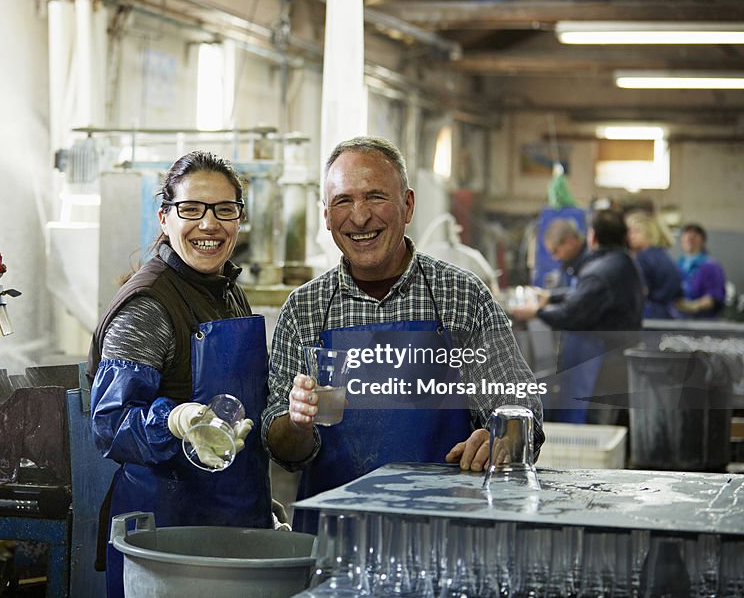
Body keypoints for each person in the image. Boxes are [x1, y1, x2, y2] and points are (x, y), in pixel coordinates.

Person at [262, 136, 544, 532]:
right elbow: (282, 448)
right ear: (326, 215)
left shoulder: (462, 297)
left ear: (408, 205)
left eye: (375, 197)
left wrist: (504, 437)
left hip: (445, 532)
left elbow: (516, 399)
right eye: (343, 201)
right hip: (333, 536)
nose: (359, 218)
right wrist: (296, 422)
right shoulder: (304, 309)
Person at [88, 151, 271, 598]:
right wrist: (175, 421)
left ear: (239, 220)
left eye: (224, 210)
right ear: (164, 218)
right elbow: (110, 422)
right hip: (167, 533)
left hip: (229, 519)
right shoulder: (149, 306)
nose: (209, 225)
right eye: (191, 209)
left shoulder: (226, 291)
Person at [512, 209, 644, 424]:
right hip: (615, 354)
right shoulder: (622, 262)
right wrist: (550, 297)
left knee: (590, 420)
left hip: (600, 361)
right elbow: (586, 295)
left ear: (593, 236)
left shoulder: (600, 271)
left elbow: (572, 314)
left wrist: (535, 312)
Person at [625, 211, 682, 319]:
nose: (630, 236)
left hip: (650, 314)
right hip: (667, 313)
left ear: (649, 234)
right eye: (629, 232)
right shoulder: (661, 255)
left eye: (636, 231)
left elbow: (642, 291)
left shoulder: (643, 257)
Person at [675, 223, 726, 319]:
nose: (690, 239)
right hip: (678, 320)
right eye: (686, 236)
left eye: (694, 236)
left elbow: (714, 297)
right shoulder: (677, 265)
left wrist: (694, 306)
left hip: (702, 322)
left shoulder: (711, 266)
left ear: (702, 241)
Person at [542, 218, 588, 291]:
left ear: (570, 242)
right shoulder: (569, 264)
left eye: (555, 251)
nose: (555, 258)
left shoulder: (589, 264)